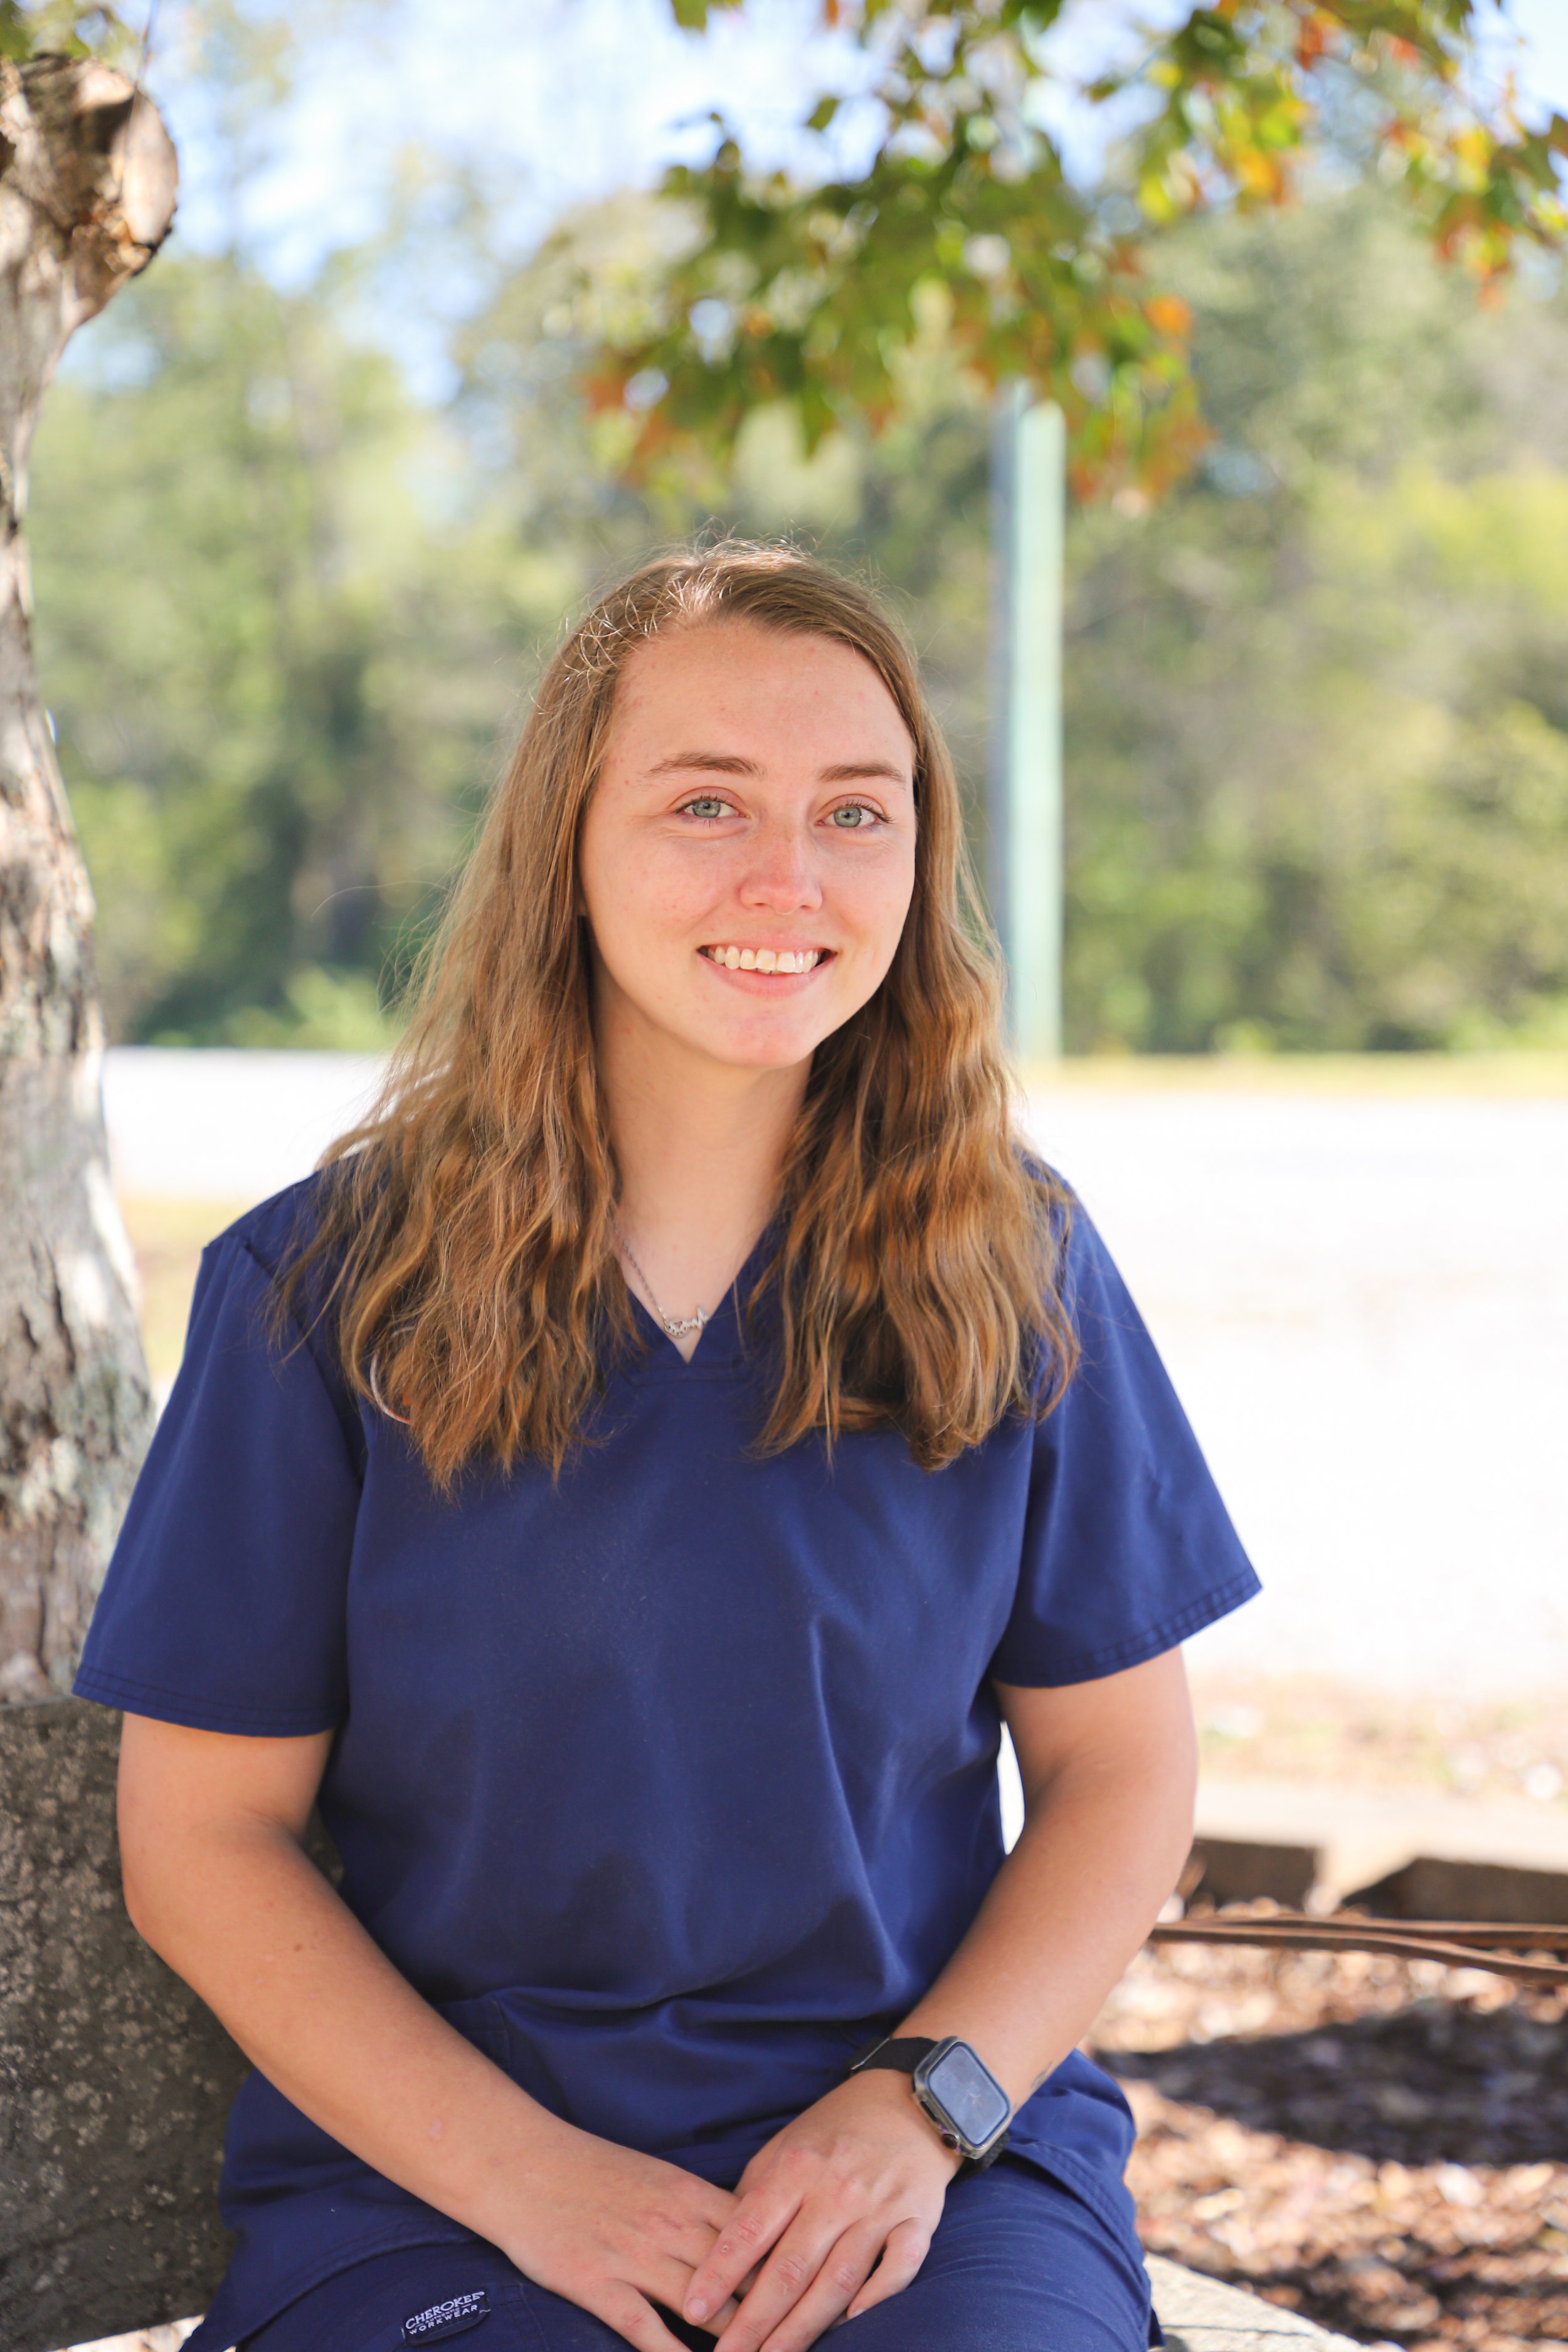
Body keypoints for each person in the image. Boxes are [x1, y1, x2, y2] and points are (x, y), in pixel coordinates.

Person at [75, 544, 1259, 2352]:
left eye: (856, 813)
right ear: (568, 835)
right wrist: (528, 2180)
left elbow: (1117, 1780)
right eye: (706, 801)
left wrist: (917, 2111)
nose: (788, 877)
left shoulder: (1012, 1269)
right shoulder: (318, 1292)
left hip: (918, 2166)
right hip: (445, 2177)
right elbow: (204, 1839)